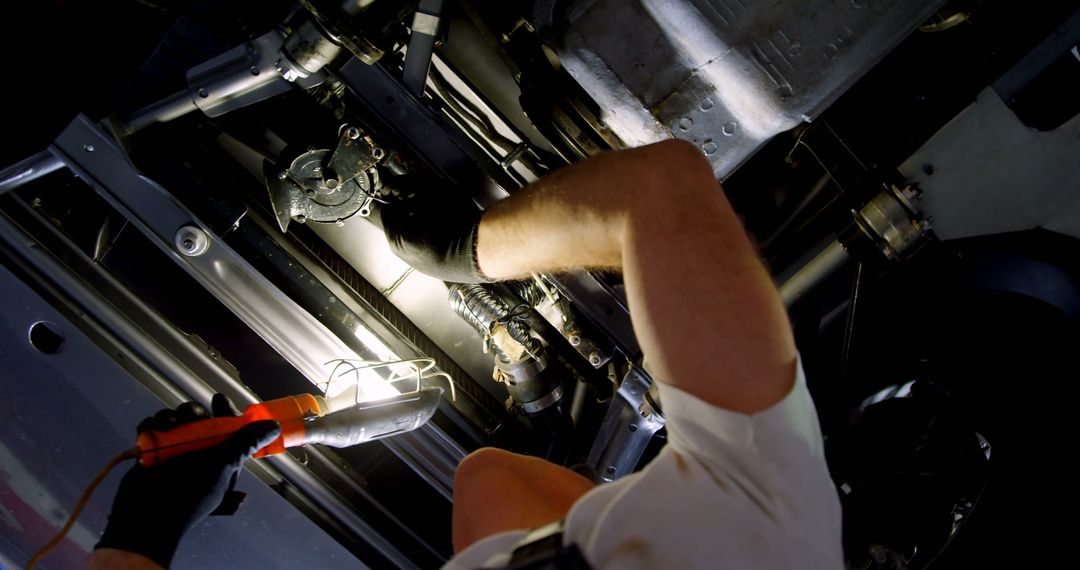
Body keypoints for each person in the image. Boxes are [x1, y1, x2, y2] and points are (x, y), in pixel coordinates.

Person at [85, 140, 842, 569]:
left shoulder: (768, 536)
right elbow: (487, 480)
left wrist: (468, 253)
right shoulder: (765, 535)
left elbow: (659, 188)